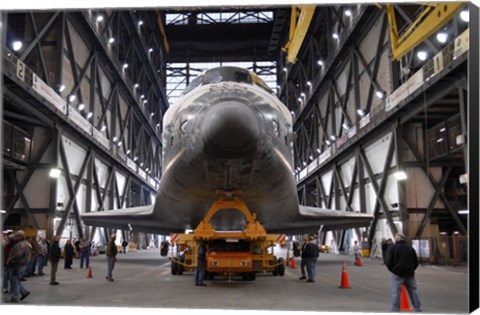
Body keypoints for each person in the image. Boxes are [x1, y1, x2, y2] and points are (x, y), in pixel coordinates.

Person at [386, 233, 422, 312]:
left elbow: (388, 262)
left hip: (397, 273)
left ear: (397, 239)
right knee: (413, 291)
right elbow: (415, 262)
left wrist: (393, 270)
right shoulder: (410, 248)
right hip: (410, 274)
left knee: (396, 292)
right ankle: (418, 308)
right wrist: (412, 269)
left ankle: (396, 309)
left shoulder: (393, 248)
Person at [6, 230, 31, 302]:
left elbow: (18, 255)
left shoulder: (21, 245)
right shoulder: (24, 243)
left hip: (17, 265)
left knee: (15, 281)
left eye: (17, 236)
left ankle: (15, 297)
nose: (15, 237)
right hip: (21, 265)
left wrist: (10, 260)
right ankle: (24, 292)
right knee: (16, 281)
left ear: (21, 237)